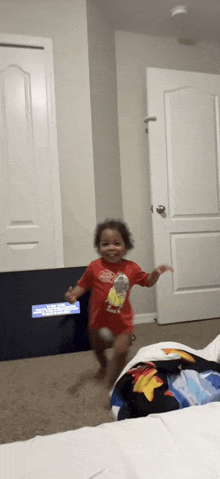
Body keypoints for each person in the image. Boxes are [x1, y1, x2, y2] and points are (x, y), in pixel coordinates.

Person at [65, 218, 173, 400]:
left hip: (122, 321)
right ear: (98, 246)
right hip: (98, 319)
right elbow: (83, 285)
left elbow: (147, 282)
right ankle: (104, 365)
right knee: (98, 347)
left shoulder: (131, 268)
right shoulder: (94, 267)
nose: (111, 248)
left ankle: (111, 383)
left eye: (117, 243)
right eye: (105, 244)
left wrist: (155, 274)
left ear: (126, 246)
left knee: (121, 351)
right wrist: (74, 296)